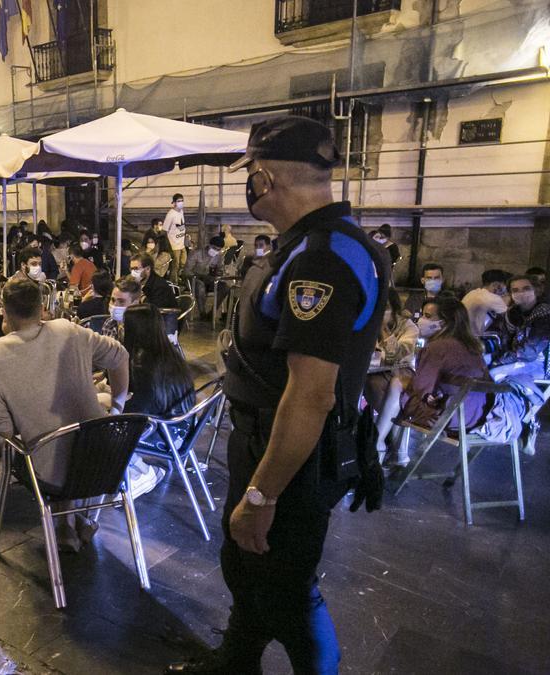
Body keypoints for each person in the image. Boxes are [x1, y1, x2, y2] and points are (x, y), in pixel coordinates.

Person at [169, 116, 390, 675]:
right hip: (269, 439)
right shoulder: (313, 245)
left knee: (286, 584)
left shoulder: (321, 258)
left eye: (249, 175)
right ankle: (235, 662)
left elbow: (310, 394)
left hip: (290, 452)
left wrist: (262, 496)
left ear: (263, 179)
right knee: (248, 566)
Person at [0, 279, 130, 551]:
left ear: (5, 311)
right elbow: (119, 356)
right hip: (106, 463)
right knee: (68, 434)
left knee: (35, 443)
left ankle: (64, 526)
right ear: (41, 308)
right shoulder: (69, 330)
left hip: (52, 476)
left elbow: (2, 426)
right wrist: (118, 405)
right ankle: (69, 523)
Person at [374, 298, 488, 466]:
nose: (421, 320)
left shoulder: (437, 347)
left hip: (448, 418)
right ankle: (395, 450)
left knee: (395, 384)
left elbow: (421, 390)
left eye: (428, 316)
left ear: (443, 323)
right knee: (393, 386)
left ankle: (377, 444)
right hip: (475, 416)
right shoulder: (473, 347)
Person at [121, 303, 195, 497]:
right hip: (184, 430)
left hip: (164, 435)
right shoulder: (170, 353)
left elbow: (137, 411)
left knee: (102, 430)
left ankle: (144, 473)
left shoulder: (144, 363)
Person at [488, 275, 550, 379]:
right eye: (515, 290)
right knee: (480, 363)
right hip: (514, 356)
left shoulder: (544, 313)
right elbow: (505, 340)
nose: (521, 293)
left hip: (538, 362)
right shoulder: (513, 313)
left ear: (536, 290)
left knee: (493, 373)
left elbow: (529, 353)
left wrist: (499, 361)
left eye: (526, 289)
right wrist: (494, 358)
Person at [183, 236, 227, 319]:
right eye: (214, 248)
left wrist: (219, 272)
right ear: (209, 245)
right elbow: (187, 272)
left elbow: (221, 269)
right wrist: (200, 276)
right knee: (200, 286)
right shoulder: (196, 254)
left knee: (224, 287)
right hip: (194, 279)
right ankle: (202, 313)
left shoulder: (218, 256)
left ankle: (212, 313)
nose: (215, 251)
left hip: (209, 280)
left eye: (218, 249)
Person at [461, 268, 510, 335]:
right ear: (497, 285)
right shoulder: (493, 298)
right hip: (473, 338)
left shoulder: (472, 293)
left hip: (462, 334)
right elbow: (509, 318)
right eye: (506, 286)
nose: (505, 291)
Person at [164, 193, 188, 283]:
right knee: (175, 265)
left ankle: (178, 278)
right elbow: (164, 231)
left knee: (183, 262)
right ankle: (174, 282)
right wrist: (169, 247)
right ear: (174, 203)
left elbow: (181, 226)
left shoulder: (181, 212)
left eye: (182, 200)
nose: (181, 203)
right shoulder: (171, 214)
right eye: (178, 201)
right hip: (174, 245)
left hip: (181, 244)